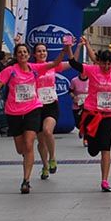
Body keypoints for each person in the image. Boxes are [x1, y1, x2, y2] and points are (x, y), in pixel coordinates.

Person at [0, 40, 70, 194]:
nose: (22, 54)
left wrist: (64, 50)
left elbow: (55, 63)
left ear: (29, 55)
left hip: (32, 109)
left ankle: (26, 181)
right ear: (16, 55)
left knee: (29, 144)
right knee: (20, 148)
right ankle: (29, 162)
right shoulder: (10, 70)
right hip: (14, 112)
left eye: (25, 52)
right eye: (20, 52)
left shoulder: (35, 68)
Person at [68, 41, 111, 191]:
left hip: (109, 114)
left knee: (106, 147)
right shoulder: (92, 70)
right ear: (99, 62)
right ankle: (89, 139)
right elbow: (72, 63)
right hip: (92, 113)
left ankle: (105, 180)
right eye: (104, 63)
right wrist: (72, 48)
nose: (107, 67)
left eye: (110, 64)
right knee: (93, 150)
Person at [29, 38, 81, 180]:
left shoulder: (53, 65)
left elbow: (72, 62)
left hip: (51, 104)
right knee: (40, 141)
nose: (42, 53)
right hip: (36, 106)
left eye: (44, 51)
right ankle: (45, 166)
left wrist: (75, 47)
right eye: (39, 51)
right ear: (34, 54)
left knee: (47, 131)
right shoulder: (31, 68)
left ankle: (52, 157)